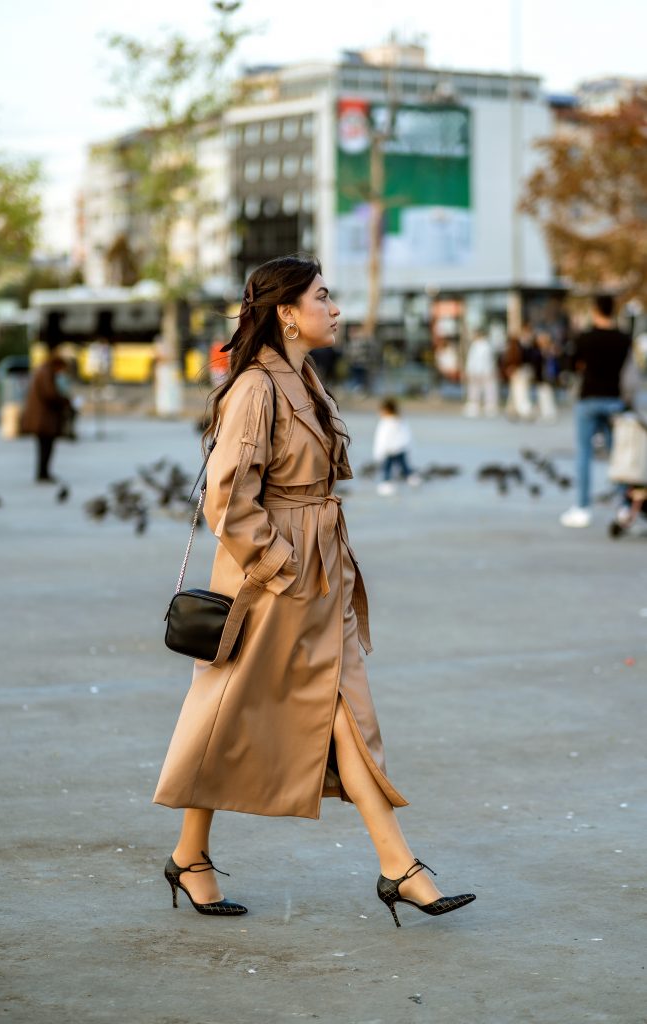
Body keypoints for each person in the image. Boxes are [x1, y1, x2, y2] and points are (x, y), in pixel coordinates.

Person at [153, 255, 475, 926]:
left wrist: (313, 564)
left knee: (339, 711)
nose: (335, 308)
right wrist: (280, 568)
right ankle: (200, 858)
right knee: (229, 714)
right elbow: (226, 500)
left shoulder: (301, 376)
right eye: (323, 297)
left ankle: (394, 866)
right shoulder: (255, 388)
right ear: (286, 313)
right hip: (274, 577)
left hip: (319, 564)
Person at [560, 295, 632, 528]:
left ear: (595, 311)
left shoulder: (585, 338)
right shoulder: (623, 339)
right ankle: (624, 506)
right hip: (614, 399)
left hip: (589, 398)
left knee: (584, 454)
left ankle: (582, 507)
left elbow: (573, 366)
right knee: (619, 456)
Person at [20, 343, 74, 483]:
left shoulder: (44, 371)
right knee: (45, 447)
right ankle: (43, 473)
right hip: (43, 418)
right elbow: (50, 394)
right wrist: (64, 400)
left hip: (42, 418)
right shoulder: (46, 373)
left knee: (44, 447)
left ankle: (43, 472)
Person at [373, 397, 420, 495]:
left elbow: (381, 439)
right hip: (400, 448)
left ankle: (386, 484)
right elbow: (407, 435)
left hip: (388, 450)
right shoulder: (400, 421)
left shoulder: (384, 423)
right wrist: (405, 446)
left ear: (385, 410)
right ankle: (413, 481)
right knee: (404, 466)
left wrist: (378, 453)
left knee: (387, 468)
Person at [463, 330, 498, 417]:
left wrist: (469, 370)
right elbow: (471, 360)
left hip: (483, 371)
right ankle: (476, 406)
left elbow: (487, 359)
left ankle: (489, 406)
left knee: (487, 389)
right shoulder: (479, 345)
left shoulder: (483, 345)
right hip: (480, 371)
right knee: (476, 389)